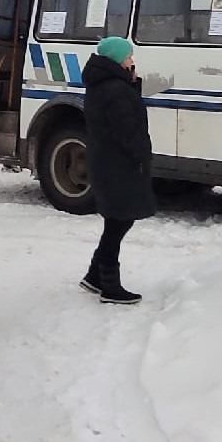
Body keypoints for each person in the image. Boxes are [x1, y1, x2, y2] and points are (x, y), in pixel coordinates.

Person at [80, 35, 155, 304]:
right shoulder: (115, 90)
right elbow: (127, 130)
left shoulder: (105, 85)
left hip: (108, 162)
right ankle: (109, 286)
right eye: (128, 57)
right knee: (120, 221)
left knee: (116, 220)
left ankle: (94, 276)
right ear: (116, 59)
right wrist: (142, 153)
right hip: (118, 164)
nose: (132, 60)